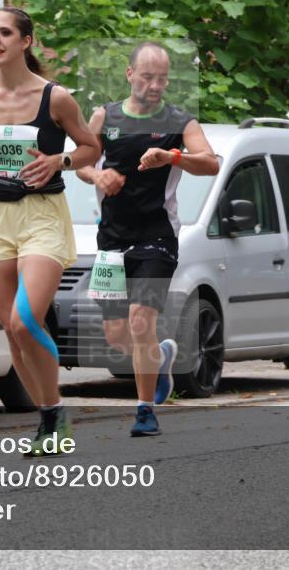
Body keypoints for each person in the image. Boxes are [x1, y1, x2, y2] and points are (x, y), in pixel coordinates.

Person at [0, 7, 100, 456]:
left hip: (44, 214)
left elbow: (92, 147)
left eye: (5, 33)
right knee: (10, 330)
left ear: (26, 41)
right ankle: (50, 417)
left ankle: (54, 414)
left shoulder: (56, 98)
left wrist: (60, 161)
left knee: (25, 319)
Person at [77, 42, 219, 436]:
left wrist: (172, 157)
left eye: (162, 78)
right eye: (147, 76)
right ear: (130, 74)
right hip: (111, 239)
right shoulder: (105, 116)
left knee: (141, 322)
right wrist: (97, 176)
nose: (155, 85)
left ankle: (145, 412)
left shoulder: (179, 121)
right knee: (116, 333)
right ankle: (162, 357)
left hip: (157, 236)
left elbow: (210, 163)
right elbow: (81, 162)